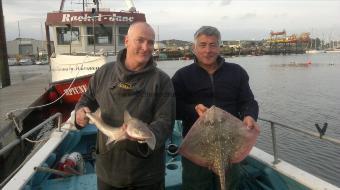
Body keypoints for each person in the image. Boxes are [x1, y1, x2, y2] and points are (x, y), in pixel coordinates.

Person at [75, 22, 175, 190]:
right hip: (108, 170)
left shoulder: (162, 81)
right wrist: (79, 112)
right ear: (126, 40)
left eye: (150, 42)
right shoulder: (104, 73)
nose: (146, 47)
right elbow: (86, 100)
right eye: (140, 40)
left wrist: (147, 135)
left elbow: (166, 122)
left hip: (147, 175)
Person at [172, 26, 259, 190]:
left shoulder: (236, 72)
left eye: (213, 45)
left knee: (229, 184)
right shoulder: (182, 76)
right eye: (203, 45)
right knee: (195, 185)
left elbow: (248, 101)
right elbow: (173, 107)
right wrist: (193, 109)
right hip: (197, 145)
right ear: (194, 48)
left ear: (220, 47)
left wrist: (249, 115)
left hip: (230, 142)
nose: (208, 50)